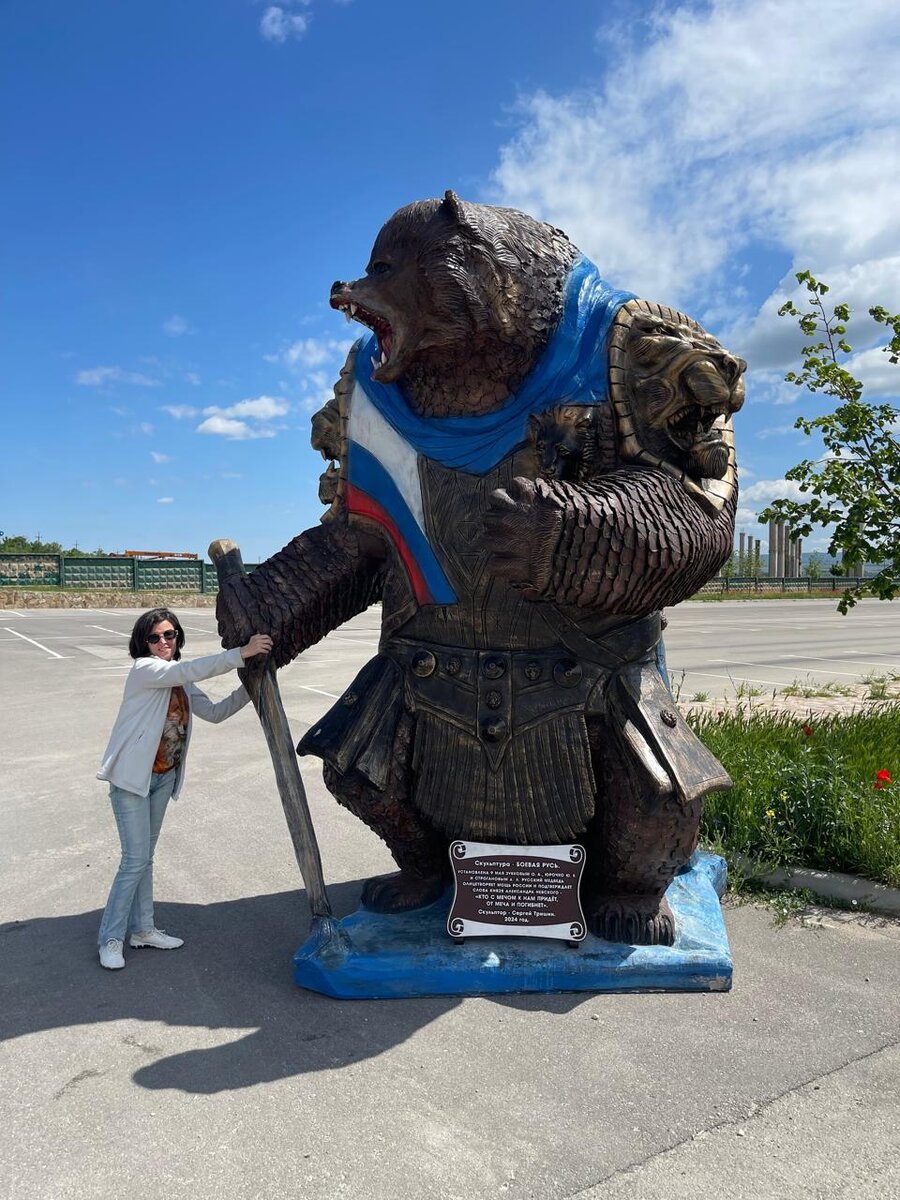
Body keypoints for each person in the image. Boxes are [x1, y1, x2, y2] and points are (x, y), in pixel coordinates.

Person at [95, 608, 272, 970]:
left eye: (170, 635)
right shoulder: (146, 670)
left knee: (144, 859)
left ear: (178, 637)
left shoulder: (180, 680)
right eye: (155, 637)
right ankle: (110, 938)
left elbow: (216, 712)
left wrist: (252, 684)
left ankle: (143, 929)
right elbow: (185, 669)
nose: (163, 642)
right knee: (133, 861)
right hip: (132, 781)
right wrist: (242, 653)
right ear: (143, 642)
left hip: (162, 779)